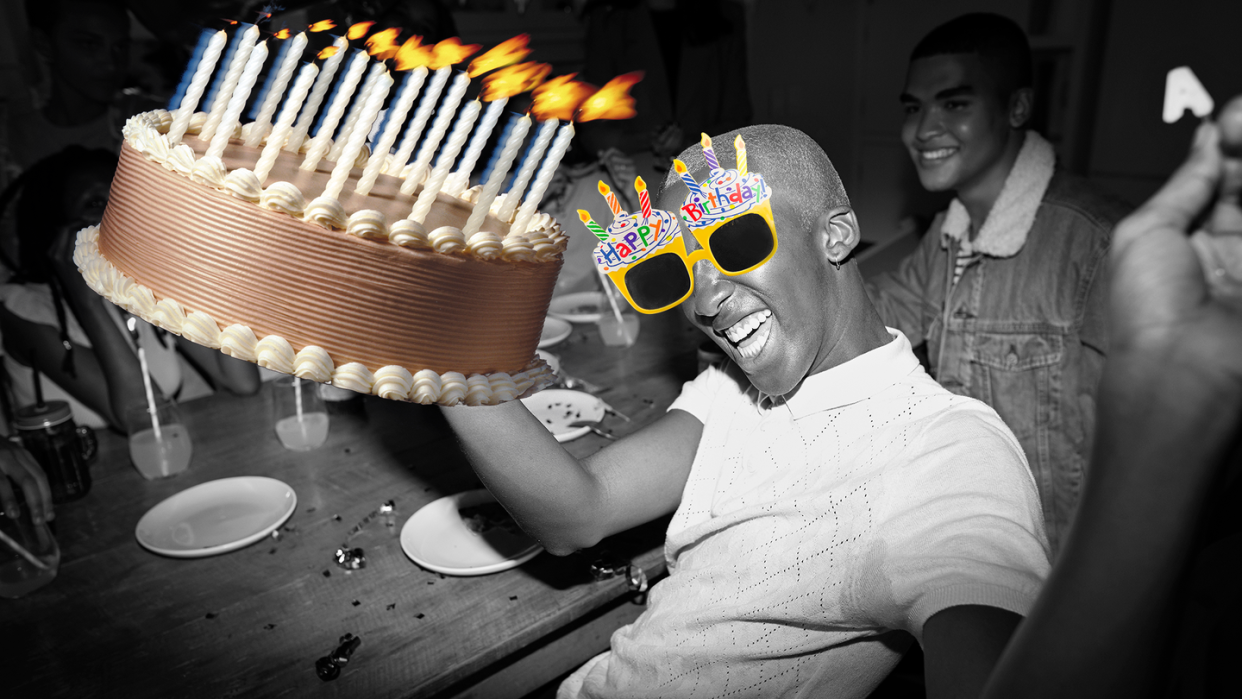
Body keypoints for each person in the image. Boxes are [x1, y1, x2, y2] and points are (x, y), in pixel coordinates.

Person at [442, 124, 1051, 698]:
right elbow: (578, 513)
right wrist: (439, 359)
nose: (703, 299)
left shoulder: (946, 451)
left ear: (835, 234)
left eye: (735, 242)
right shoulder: (729, 391)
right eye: (679, 268)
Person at [865, 13, 1132, 556]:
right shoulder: (950, 229)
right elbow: (876, 316)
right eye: (914, 108)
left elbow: (1158, 449)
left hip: (1058, 574)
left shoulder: (1099, 244)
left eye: (954, 104)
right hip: (973, 545)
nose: (923, 130)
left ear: (1016, 108)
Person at [0, 147, 260, 431]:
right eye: (96, 203)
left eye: (127, 198)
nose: (120, 214)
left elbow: (241, 381)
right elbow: (143, 418)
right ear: (54, 227)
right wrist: (87, 301)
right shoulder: (22, 308)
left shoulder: (136, 288)